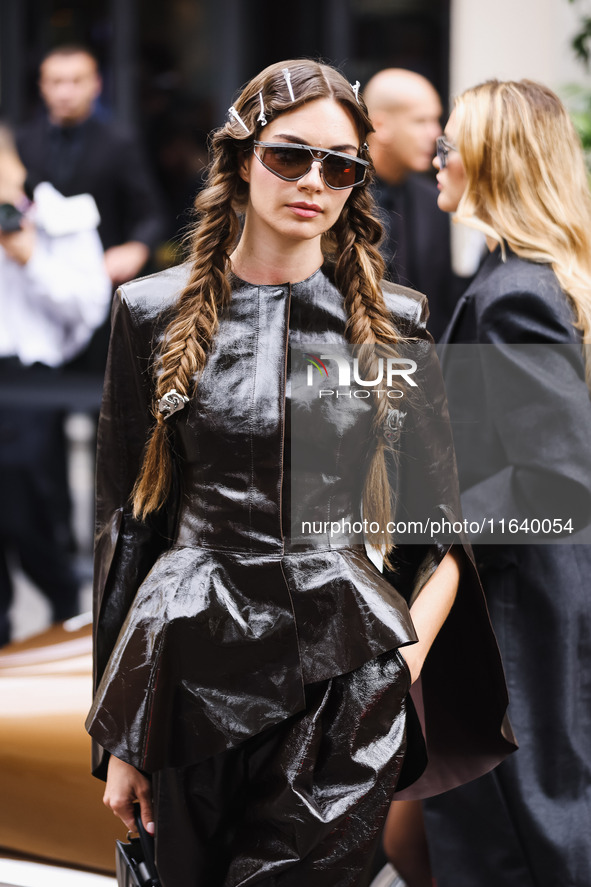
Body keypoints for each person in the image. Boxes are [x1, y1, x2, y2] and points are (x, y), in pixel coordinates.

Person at [85, 60, 515, 887]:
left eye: (341, 166)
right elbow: (126, 530)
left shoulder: (396, 323)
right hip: (186, 676)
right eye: (290, 155)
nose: (314, 181)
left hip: (341, 685)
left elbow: (440, 540)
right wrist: (118, 736)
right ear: (242, 158)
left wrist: (394, 671)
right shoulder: (149, 313)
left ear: (357, 181)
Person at [415, 79, 591, 887]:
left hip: (518, 623)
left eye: (450, 142)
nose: (435, 155)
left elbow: (554, 480)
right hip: (531, 605)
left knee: (517, 844)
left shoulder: (514, 291)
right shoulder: (523, 278)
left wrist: (425, 524)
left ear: (493, 159)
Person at [0, 124, 111, 646]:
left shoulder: (63, 218)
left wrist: (29, 257)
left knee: (27, 505)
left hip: (31, 382)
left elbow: (86, 309)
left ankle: (62, 606)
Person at [17, 45, 165, 292]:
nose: (65, 92)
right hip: (37, 283)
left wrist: (136, 247)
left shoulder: (119, 142)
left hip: (101, 281)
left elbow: (152, 213)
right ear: (42, 86)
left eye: (76, 81)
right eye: (56, 82)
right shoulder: (23, 142)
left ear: (96, 84)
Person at [363, 69, 462, 341]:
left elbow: (440, 301)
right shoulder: (338, 196)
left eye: (435, 119)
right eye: (421, 121)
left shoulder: (435, 200)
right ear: (380, 126)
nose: (436, 134)